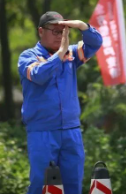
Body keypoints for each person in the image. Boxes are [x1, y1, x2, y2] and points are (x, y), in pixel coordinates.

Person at [17, 11, 103, 194]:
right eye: (54, 31)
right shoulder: (28, 57)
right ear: (41, 31)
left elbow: (95, 43)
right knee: (41, 184)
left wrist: (83, 26)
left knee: (73, 184)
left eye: (63, 31)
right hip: (42, 131)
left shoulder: (70, 54)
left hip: (71, 130)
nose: (60, 36)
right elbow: (39, 75)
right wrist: (60, 54)